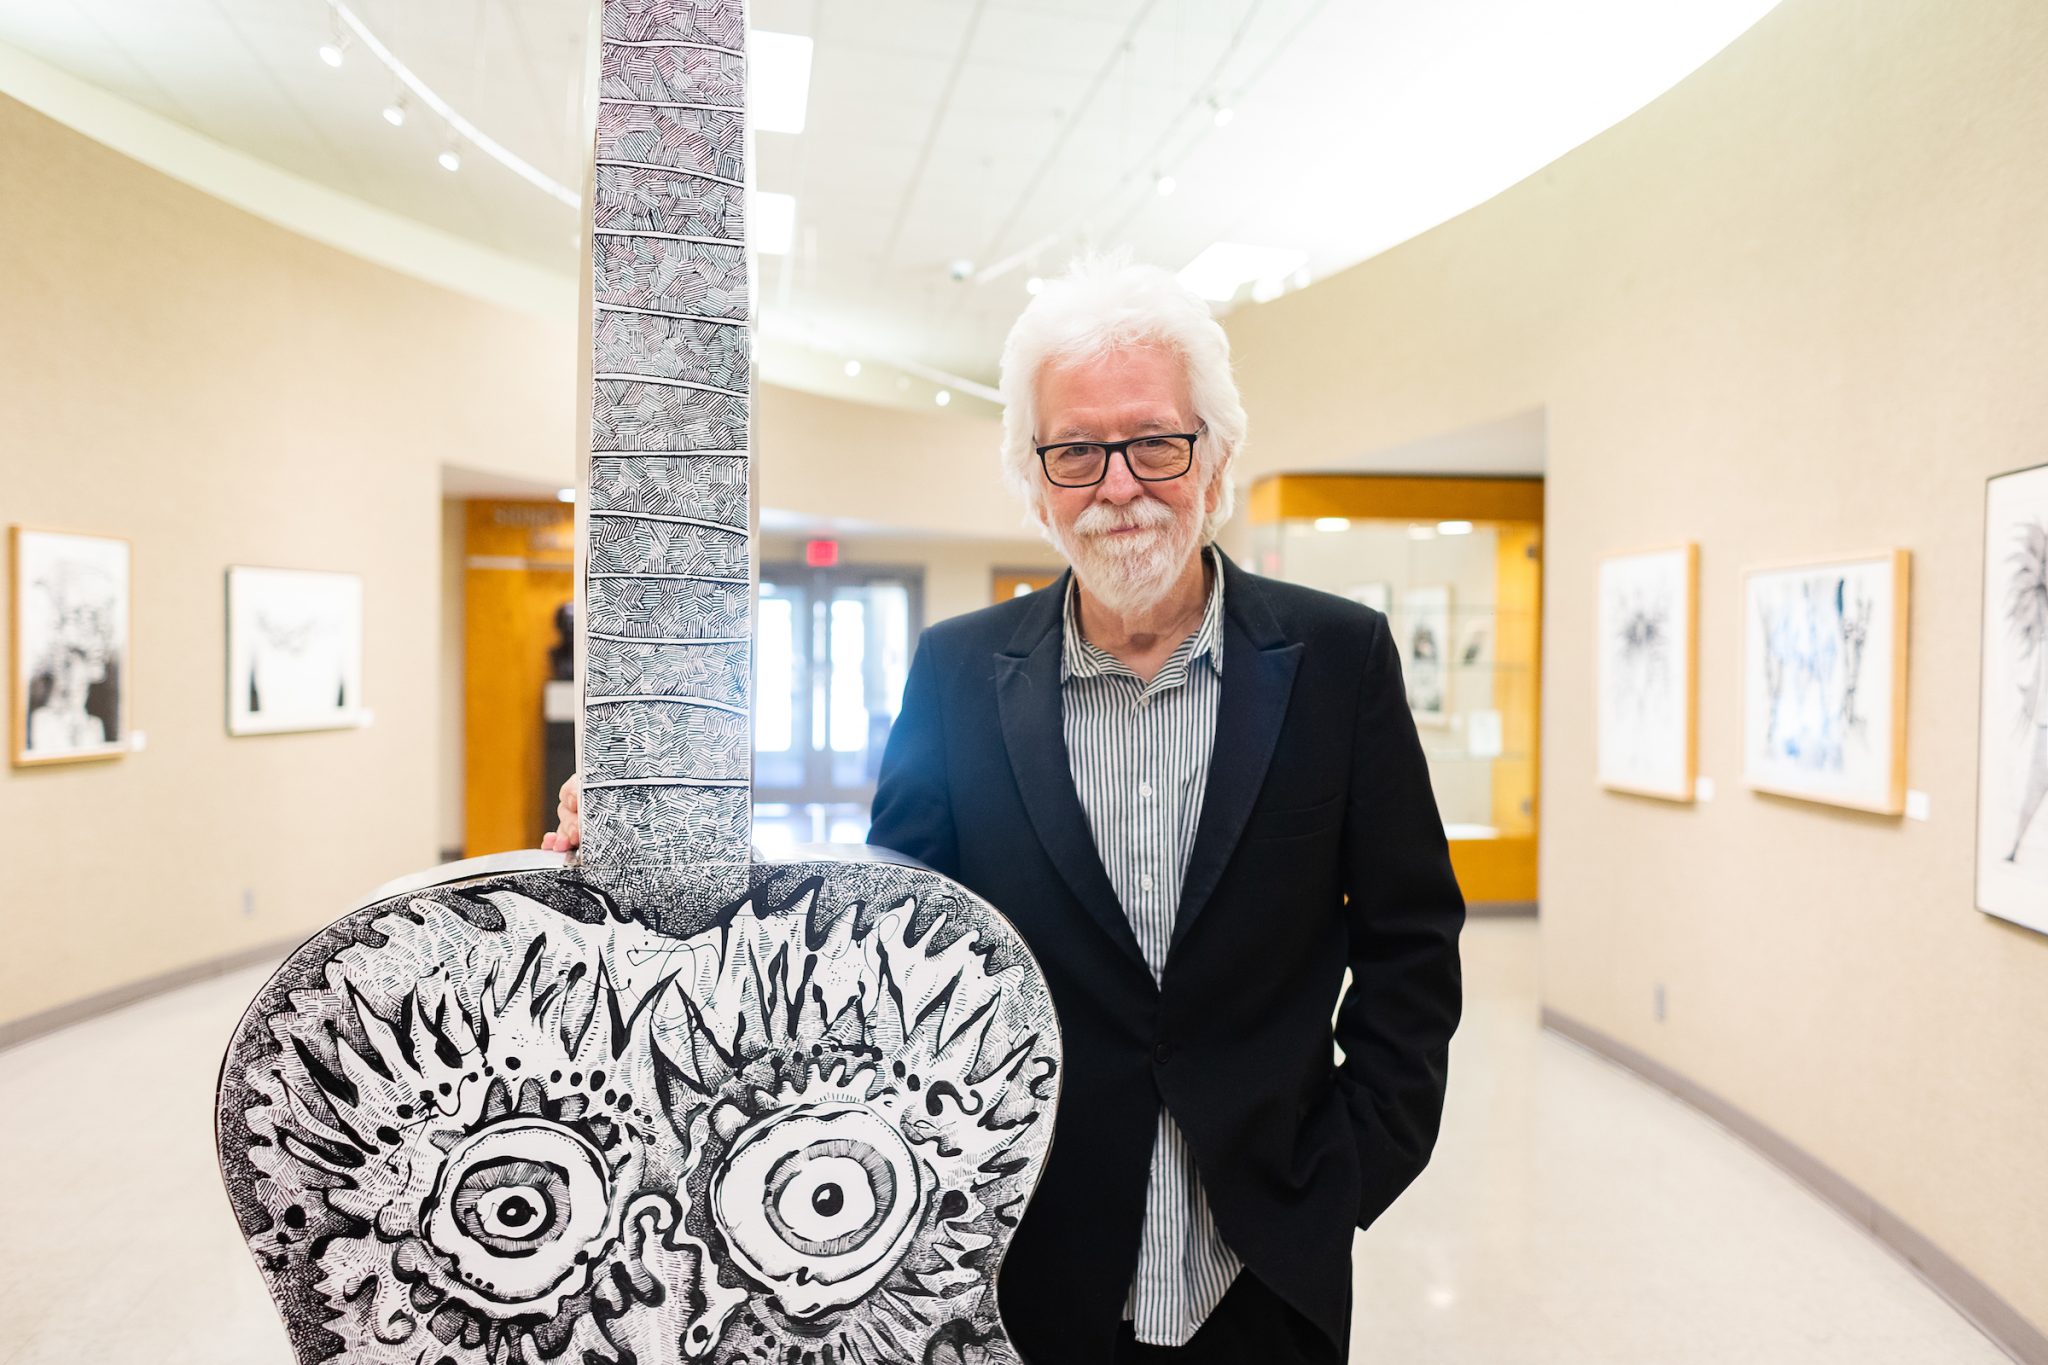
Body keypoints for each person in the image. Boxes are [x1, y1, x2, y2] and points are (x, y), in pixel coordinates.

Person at [545, 257, 1465, 1365]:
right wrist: (659, 836)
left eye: (1153, 442)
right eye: (1074, 451)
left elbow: (1411, 942)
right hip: (1021, 1248)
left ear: (1214, 458)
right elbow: (871, 934)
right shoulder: (956, 672)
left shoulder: (1335, 658)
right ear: (1034, 483)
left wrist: (1351, 1167)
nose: (1117, 485)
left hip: (1264, 1251)